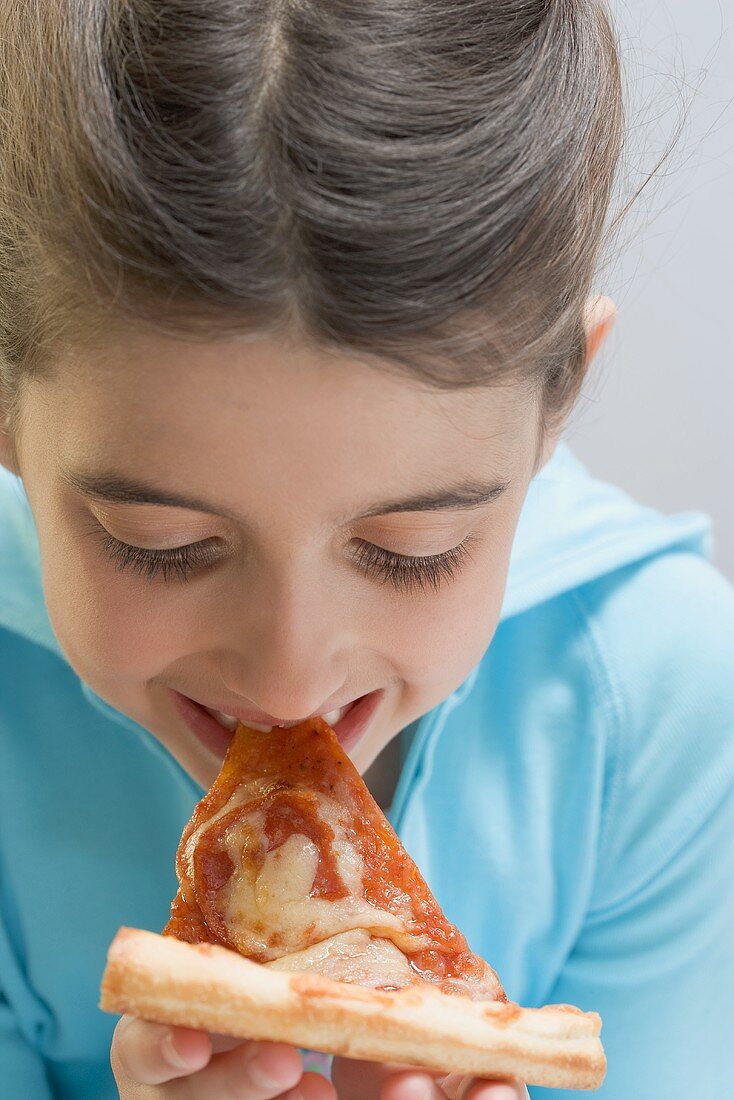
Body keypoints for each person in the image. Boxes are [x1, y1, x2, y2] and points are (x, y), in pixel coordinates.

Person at [0, 2, 732, 1098]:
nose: (288, 677)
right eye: (163, 543)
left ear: (556, 400)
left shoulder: (658, 706)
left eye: (410, 549)